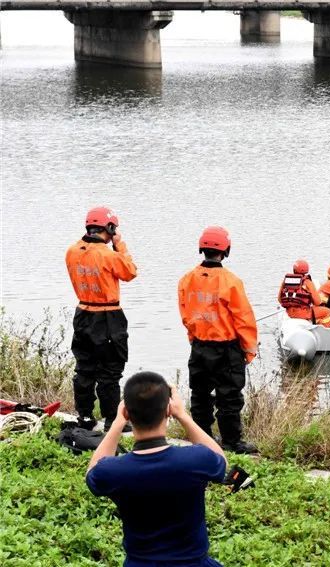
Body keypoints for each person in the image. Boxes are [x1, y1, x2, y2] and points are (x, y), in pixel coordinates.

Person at [86, 371, 227, 567]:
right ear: (168, 411)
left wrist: (118, 423)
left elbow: (92, 472)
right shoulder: (196, 460)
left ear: (127, 412)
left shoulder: (114, 471)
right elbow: (221, 461)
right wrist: (183, 416)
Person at [177, 226, 258, 454]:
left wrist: (193, 337)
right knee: (229, 397)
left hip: (200, 346)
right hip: (227, 349)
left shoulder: (187, 280)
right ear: (226, 250)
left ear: (202, 248)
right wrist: (249, 349)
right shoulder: (231, 282)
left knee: (200, 395)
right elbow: (244, 318)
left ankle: (201, 437)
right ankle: (231, 442)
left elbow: (185, 314)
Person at [65, 206, 137, 432]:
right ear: (110, 227)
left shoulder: (72, 251)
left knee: (84, 368)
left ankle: (85, 416)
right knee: (110, 370)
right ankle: (112, 420)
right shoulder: (108, 254)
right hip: (107, 315)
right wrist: (119, 245)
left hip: (83, 313)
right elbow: (130, 272)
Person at [278, 259, 330, 327]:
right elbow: (317, 302)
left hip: (289, 312)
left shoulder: (286, 281)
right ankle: (325, 331)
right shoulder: (307, 282)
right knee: (327, 312)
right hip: (303, 313)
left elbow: (280, 300)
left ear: (294, 270)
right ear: (307, 270)